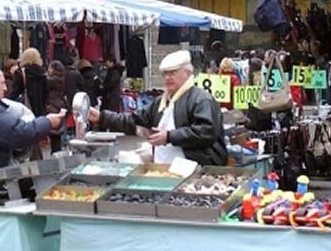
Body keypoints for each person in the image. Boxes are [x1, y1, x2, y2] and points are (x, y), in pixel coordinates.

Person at [88, 50, 227, 166]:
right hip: (166, 169)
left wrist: (169, 136)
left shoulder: (201, 99)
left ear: (188, 74)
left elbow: (206, 132)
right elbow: (134, 119)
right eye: (165, 74)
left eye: (172, 73)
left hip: (197, 170)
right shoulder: (161, 101)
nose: (167, 78)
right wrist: (102, 117)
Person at [7, 48, 48, 118]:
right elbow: (46, 93)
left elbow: (15, 92)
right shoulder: (43, 72)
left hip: (25, 108)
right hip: (40, 109)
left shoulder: (21, 72)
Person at [46, 60, 69, 153]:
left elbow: (45, 82)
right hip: (58, 105)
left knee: (55, 134)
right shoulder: (61, 78)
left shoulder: (55, 80)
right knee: (56, 135)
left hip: (54, 106)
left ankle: (56, 153)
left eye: (50, 68)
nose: (48, 70)